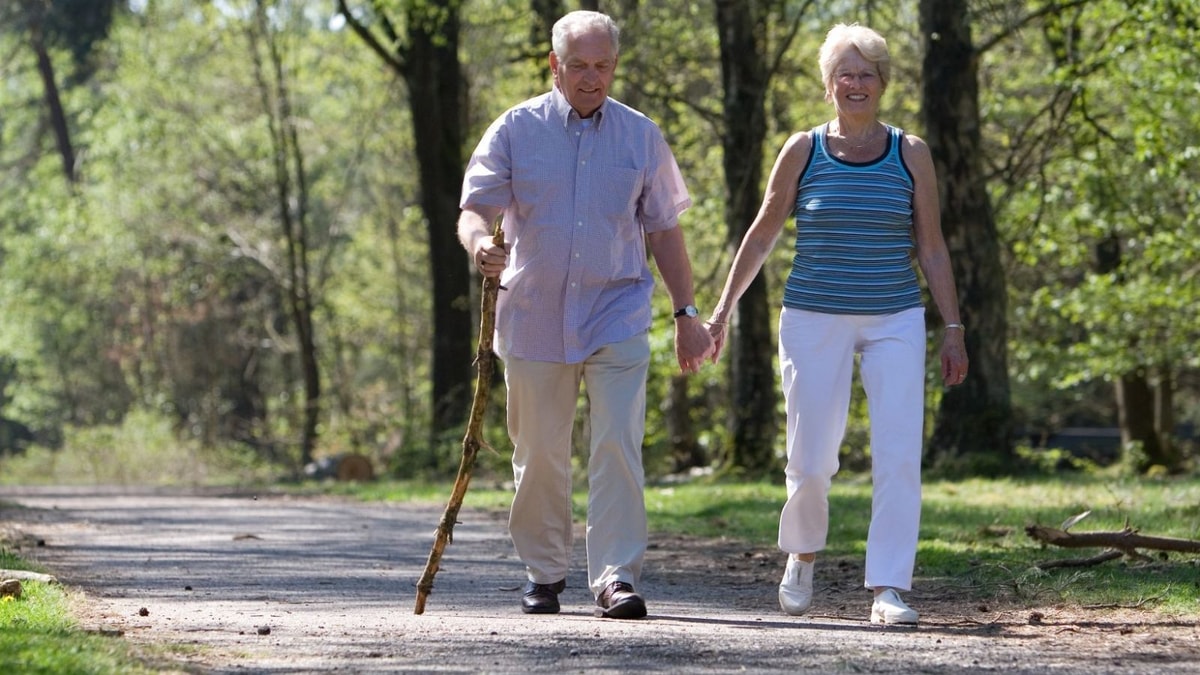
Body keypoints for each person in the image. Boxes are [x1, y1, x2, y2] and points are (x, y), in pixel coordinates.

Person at [705, 23, 968, 625]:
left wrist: (952, 327)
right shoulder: (803, 149)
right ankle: (801, 552)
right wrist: (722, 310)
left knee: (899, 451)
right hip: (813, 316)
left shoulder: (912, 153)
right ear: (828, 86)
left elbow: (931, 246)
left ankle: (889, 588)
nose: (856, 83)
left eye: (866, 74)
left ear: (882, 84)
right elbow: (765, 230)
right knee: (813, 453)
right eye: (844, 74)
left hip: (895, 315)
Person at [456, 10, 714, 620]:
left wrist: (687, 313)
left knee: (617, 446)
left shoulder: (641, 136)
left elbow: (665, 231)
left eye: (602, 66)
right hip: (533, 316)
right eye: (579, 66)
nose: (592, 78)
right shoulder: (515, 130)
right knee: (540, 451)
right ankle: (544, 573)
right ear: (555, 65)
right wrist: (478, 246)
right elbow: (474, 209)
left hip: (616, 311)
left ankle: (615, 577)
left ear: (615, 66)